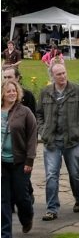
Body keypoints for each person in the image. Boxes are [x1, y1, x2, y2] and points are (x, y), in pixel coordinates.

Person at [36, 63, 79, 221]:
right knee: (51, 175)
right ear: (52, 76)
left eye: (63, 73)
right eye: (58, 74)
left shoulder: (77, 90)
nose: (62, 76)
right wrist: (42, 130)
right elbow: (38, 114)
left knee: (75, 173)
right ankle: (51, 209)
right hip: (51, 141)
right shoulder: (45, 92)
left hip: (72, 141)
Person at [1, 80, 37, 236]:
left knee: (21, 197)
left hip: (20, 162)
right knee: (4, 201)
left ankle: (27, 217)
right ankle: (5, 233)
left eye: (14, 91)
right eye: (8, 91)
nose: (12, 93)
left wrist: (30, 160)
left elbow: (32, 137)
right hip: (2, 163)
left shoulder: (25, 112)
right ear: (2, 93)